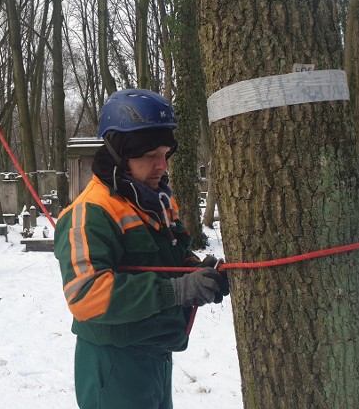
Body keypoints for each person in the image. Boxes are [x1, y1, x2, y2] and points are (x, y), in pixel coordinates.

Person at [53, 88, 229, 409]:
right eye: (151, 156)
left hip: (157, 358)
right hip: (114, 364)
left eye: (165, 154)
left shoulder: (157, 200)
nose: (162, 165)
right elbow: (85, 296)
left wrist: (198, 274)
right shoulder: (90, 212)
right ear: (119, 153)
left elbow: (175, 255)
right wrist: (175, 291)